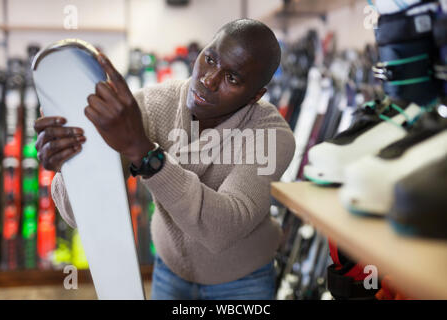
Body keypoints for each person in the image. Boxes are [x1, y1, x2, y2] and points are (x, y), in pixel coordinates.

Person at [34, 18, 296, 300]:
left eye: (232, 78)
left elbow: (222, 229)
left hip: (242, 282)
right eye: (209, 59)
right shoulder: (149, 105)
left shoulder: (271, 135)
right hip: (169, 271)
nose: (209, 79)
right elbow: (76, 214)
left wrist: (147, 154)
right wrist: (73, 167)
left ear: (256, 94)